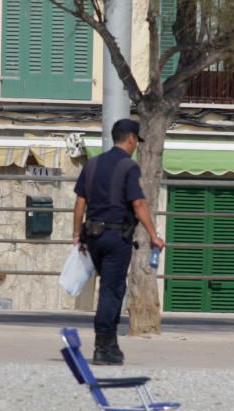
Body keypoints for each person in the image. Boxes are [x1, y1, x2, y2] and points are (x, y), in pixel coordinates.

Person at [72, 118, 165, 365]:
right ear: (131, 139)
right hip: (115, 237)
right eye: (136, 142)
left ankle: (111, 344)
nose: (136, 146)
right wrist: (153, 235)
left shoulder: (91, 164)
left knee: (113, 288)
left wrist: (76, 234)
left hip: (92, 237)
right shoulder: (128, 167)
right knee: (111, 291)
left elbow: (80, 202)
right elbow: (138, 203)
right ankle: (102, 346)